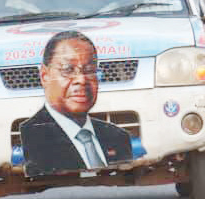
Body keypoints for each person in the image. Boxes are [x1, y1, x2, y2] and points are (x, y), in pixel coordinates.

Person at [20, 30, 133, 176]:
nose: (82, 80)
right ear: (45, 76)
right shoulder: (28, 137)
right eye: (68, 70)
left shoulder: (118, 136)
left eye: (89, 70)